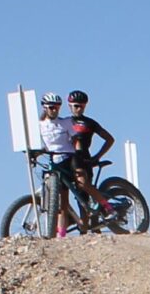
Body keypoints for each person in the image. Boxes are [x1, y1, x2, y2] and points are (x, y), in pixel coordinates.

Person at [64, 91, 115, 223]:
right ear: (69, 105)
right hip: (67, 160)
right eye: (76, 106)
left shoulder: (89, 123)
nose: (79, 109)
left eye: (82, 106)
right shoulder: (64, 122)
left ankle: (108, 208)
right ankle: (67, 233)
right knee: (69, 195)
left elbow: (109, 139)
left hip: (84, 160)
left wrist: (98, 156)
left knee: (83, 191)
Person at [35, 91, 79, 234]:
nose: (54, 110)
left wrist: (79, 153)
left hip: (67, 159)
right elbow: (43, 145)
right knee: (55, 200)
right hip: (52, 161)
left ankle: (61, 233)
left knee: (64, 200)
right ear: (45, 108)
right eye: (51, 107)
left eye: (57, 107)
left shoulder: (65, 122)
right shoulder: (40, 125)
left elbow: (76, 140)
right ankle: (57, 230)